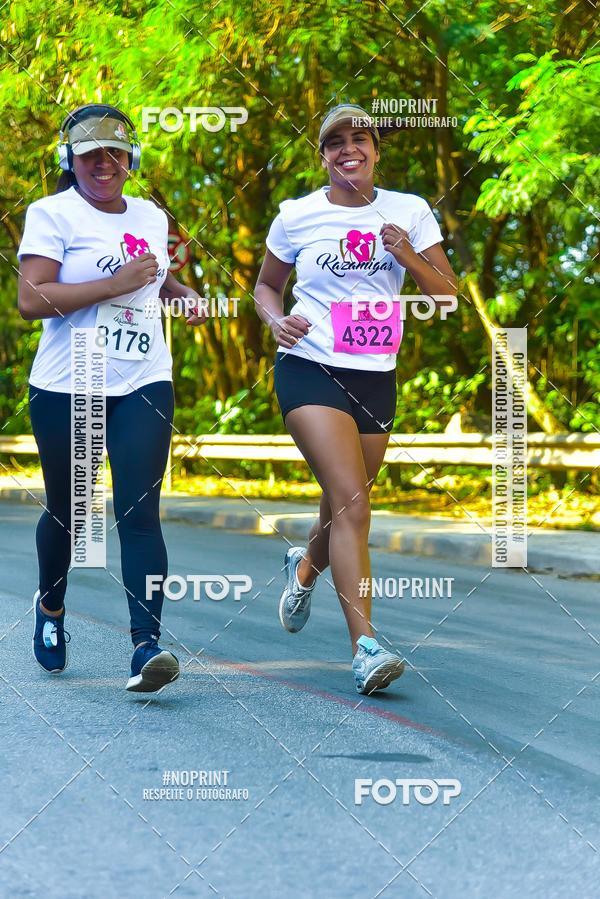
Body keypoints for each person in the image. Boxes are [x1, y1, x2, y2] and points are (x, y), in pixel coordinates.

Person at [254, 104, 458, 694]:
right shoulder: (296, 215)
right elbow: (267, 285)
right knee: (353, 503)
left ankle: (304, 567)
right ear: (322, 156)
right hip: (309, 365)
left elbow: (447, 295)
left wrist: (407, 254)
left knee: (345, 504)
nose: (349, 149)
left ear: (375, 149)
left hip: (375, 374)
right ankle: (365, 649)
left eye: (359, 138)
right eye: (335, 141)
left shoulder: (409, 210)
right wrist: (275, 321)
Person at [17, 103, 205, 692]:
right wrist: (113, 284)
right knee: (70, 511)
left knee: (139, 512)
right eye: (90, 154)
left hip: (143, 378)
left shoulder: (150, 215)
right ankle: (51, 609)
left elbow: (151, 277)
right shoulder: (51, 214)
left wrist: (179, 293)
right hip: (69, 381)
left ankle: (146, 646)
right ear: (68, 160)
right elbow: (31, 300)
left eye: (115, 153)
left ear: (132, 158)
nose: (104, 163)